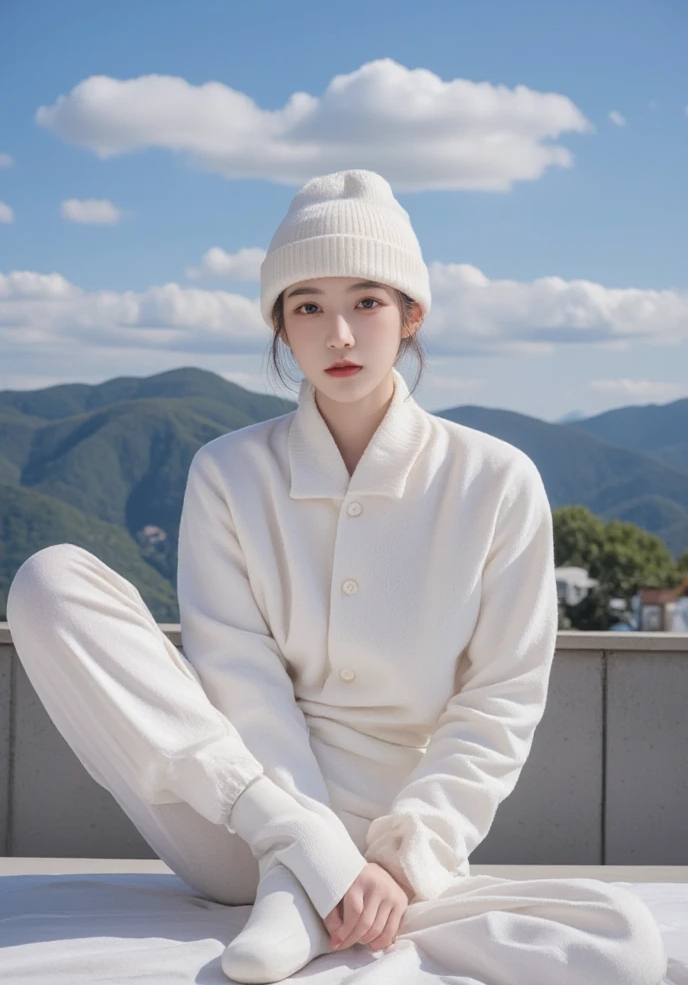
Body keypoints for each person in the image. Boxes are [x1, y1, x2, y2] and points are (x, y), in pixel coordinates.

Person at [6, 170, 667, 985]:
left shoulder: (495, 480)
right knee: (48, 579)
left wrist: (403, 864)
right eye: (307, 306)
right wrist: (300, 838)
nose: (339, 335)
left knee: (630, 948)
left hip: (399, 840)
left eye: (366, 302)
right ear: (281, 327)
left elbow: (501, 699)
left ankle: (338, 900)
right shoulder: (228, 472)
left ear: (411, 313)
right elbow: (238, 675)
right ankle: (302, 868)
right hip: (239, 826)